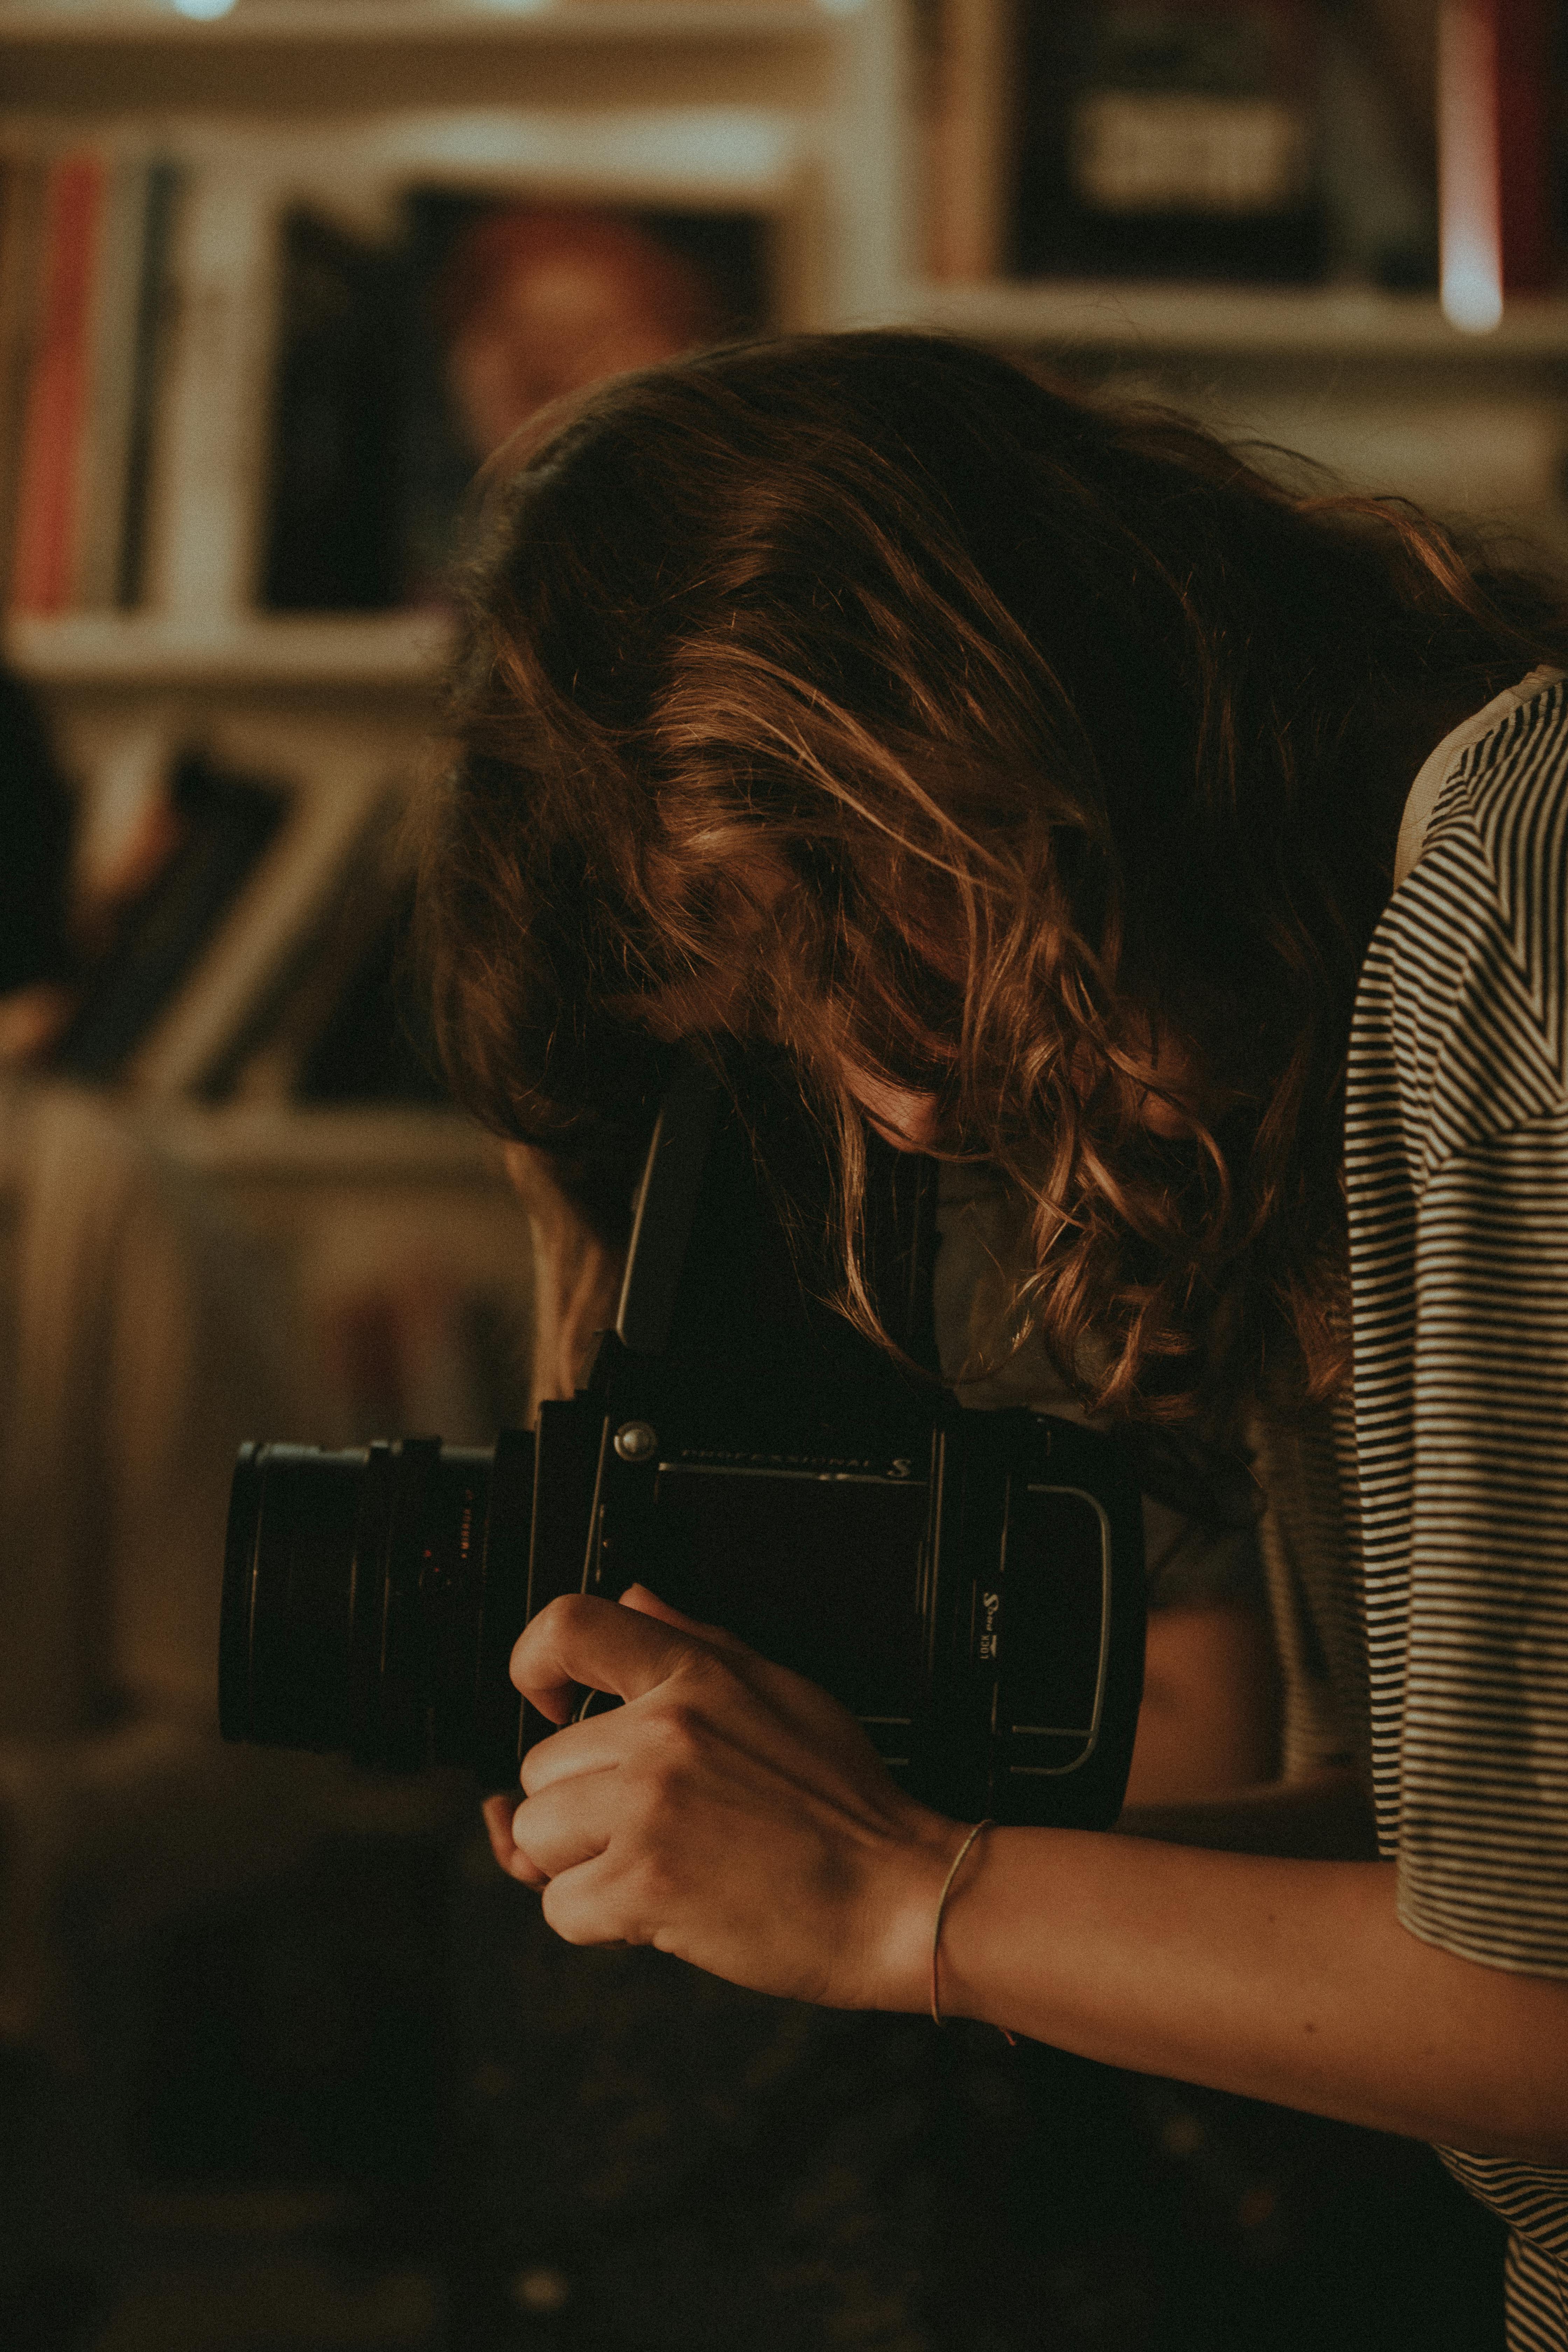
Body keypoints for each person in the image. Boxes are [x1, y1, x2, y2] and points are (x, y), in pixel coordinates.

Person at [413, 332, 1568, 2346]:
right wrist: (831, 1834)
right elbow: (1431, 1866)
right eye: (796, 1023)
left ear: (976, 717)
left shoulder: (1503, 901)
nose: (907, 1103)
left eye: (854, 921)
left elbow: (1541, 2007)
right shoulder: (1326, 1006)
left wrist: (897, 1895)